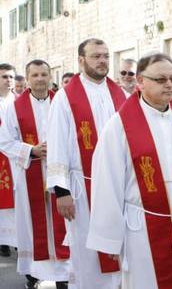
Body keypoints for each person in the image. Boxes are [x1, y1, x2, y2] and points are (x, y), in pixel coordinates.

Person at [86, 53, 172, 289]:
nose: (169, 84)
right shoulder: (119, 126)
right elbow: (107, 185)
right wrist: (111, 241)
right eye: (160, 79)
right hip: (141, 230)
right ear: (140, 81)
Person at [46, 38, 126, 288]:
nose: (102, 61)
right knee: (87, 251)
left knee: (119, 245)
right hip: (83, 187)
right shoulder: (65, 98)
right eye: (96, 56)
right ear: (81, 61)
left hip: (118, 185)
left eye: (105, 55)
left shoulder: (119, 93)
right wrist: (61, 191)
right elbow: (57, 143)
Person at [0, 60, 70, 289]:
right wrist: (32, 150)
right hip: (30, 173)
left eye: (44, 74)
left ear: (50, 77)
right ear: (27, 78)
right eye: (35, 75)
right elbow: (4, 140)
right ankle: (34, 274)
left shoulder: (63, 101)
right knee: (34, 227)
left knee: (63, 225)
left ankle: (64, 275)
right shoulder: (15, 106)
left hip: (61, 174)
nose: (40, 79)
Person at [0, 63, 17, 258]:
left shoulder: (19, 102)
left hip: (16, 157)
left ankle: (15, 240)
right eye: (4, 76)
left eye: (11, 76)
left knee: (17, 199)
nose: (9, 80)